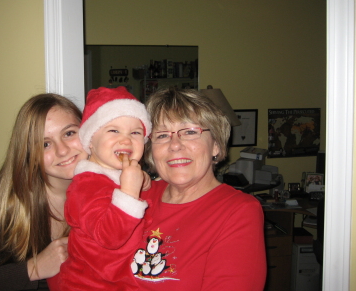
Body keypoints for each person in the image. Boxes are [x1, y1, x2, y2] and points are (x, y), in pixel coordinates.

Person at [0, 93, 89, 290]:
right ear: (29, 155)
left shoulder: (114, 197)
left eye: (69, 133)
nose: (62, 150)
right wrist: (33, 269)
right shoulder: (11, 210)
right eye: (45, 144)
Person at [132, 88, 267, 290]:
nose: (175, 145)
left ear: (216, 146)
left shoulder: (239, 211)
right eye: (162, 135)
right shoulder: (135, 196)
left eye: (190, 132)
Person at [48, 86, 152, 291]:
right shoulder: (85, 186)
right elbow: (109, 236)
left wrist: (139, 182)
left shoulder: (119, 177)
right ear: (90, 142)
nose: (126, 139)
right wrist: (129, 191)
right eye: (113, 130)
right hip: (89, 284)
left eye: (135, 132)